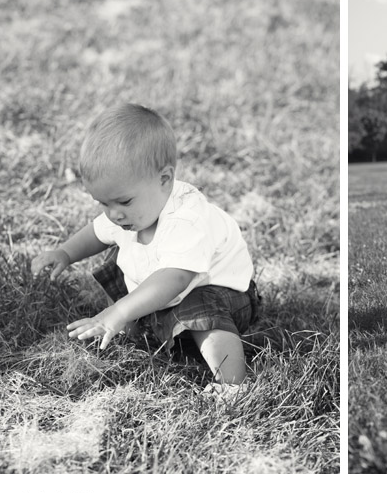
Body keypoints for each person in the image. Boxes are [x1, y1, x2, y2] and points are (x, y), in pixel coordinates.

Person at [31, 104, 260, 388]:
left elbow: (175, 280)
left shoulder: (187, 219)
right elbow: (97, 232)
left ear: (164, 179)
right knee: (120, 260)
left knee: (198, 310)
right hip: (167, 289)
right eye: (103, 203)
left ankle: (232, 384)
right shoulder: (130, 210)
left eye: (124, 202)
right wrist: (65, 252)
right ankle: (150, 326)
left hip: (221, 296)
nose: (114, 214)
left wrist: (117, 312)